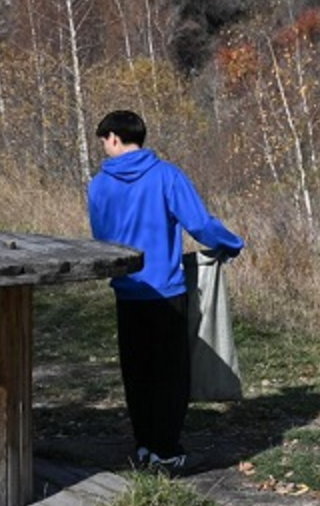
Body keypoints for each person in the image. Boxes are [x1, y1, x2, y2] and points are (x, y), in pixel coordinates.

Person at [88, 110, 245, 471]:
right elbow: (199, 224)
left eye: (103, 141)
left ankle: (144, 446)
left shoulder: (98, 185)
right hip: (165, 288)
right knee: (170, 372)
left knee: (137, 370)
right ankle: (167, 450)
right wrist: (231, 243)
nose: (104, 148)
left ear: (114, 138)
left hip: (126, 290)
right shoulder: (167, 176)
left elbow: (101, 237)